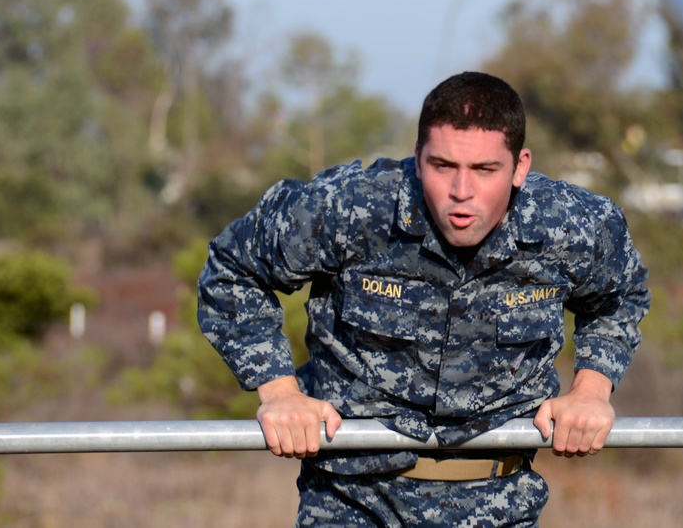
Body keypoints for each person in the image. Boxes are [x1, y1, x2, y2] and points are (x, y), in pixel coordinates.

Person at [198, 71, 650, 527]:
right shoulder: (349, 209)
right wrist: (278, 393)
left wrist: (591, 390)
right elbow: (233, 268)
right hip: (351, 504)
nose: (461, 192)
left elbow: (620, 298)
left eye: (484, 170)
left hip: (499, 505)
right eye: (443, 166)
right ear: (417, 158)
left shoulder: (573, 226)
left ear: (520, 166)